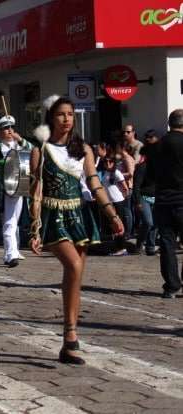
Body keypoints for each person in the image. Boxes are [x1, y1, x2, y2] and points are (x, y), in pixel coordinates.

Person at [29, 96, 124, 365]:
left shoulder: (83, 149)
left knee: (76, 275)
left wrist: (112, 213)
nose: (67, 119)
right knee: (72, 266)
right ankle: (70, 335)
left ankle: (69, 340)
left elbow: (94, 183)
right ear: (51, 117)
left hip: (78, 214)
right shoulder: (41, 148)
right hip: (52, 214)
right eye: (61, 114)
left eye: (70, 114)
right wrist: (34, 227)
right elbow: (36, 190)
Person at [0, 114, 33, 267]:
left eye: (11, 128)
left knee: (14, 222)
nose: (9, 131)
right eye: (5, 128)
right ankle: (11, 254)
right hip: (2, 191)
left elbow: (34, 150)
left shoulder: (19, 145)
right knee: (10, 222)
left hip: (20, 188)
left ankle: (7, 250)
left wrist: (20, 139)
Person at [148, 109, 183, 298]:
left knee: (167, 244)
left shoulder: (157, 146)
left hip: (163, 200)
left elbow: (151, 175)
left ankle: (171, 285)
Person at [133, 133, 159, 256]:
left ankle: (150, 246)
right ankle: (139, 243)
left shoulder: (161, 167)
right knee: (148, 222)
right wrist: (137, 201)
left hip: (157, 197)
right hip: (144, 197)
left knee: (156, 223)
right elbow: (136, 186)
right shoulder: (142, 167)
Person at [103, 154, 129, 256]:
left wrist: (123, 198)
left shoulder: (117, 173)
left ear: (114, 163)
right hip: (109, 202)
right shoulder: (104, 173)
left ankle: (122, 248)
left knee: (119, 225)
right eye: (106, 162)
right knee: (113, 225)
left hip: (118, 201)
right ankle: (117, 247)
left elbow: (125, 188)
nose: (108, 164)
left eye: (110, 161)